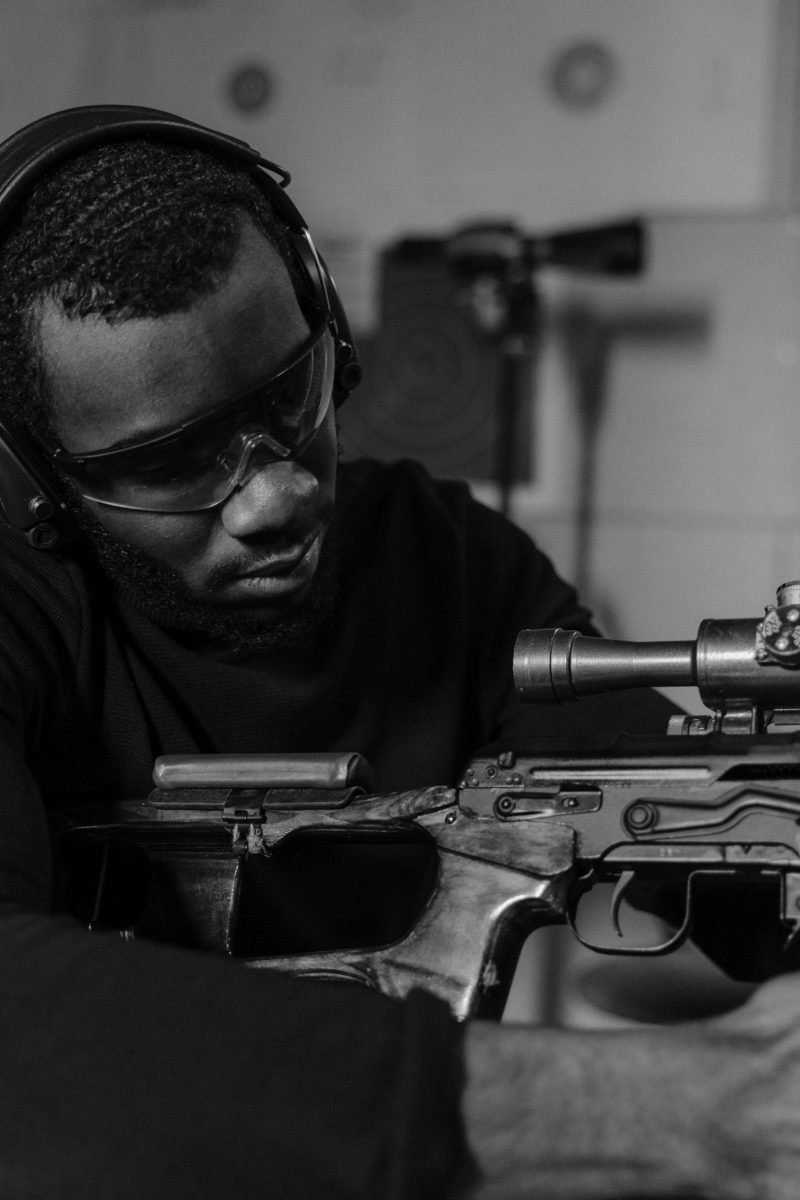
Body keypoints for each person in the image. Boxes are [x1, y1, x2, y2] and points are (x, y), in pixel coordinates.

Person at [0, 104, 796, 1200]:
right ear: (41, 477)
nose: (279, 494)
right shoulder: (17, 609)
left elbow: (704, 822)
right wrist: (687, 1112)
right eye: (170, 462)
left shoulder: (453, 562)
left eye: (288, 394)